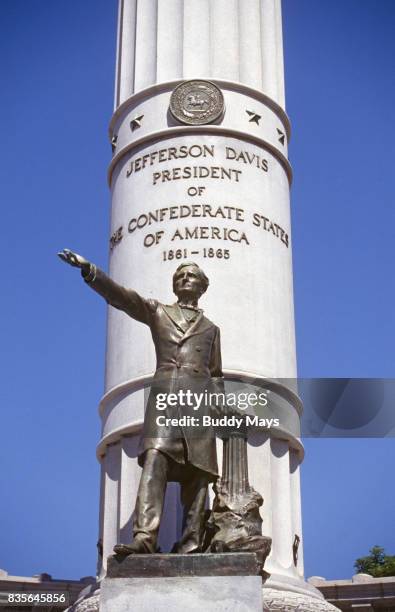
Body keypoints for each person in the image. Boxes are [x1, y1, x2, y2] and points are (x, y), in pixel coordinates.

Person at [58, 249, 224, 555]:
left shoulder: (212, 329)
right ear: (175, 286)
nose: (185, 280)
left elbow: (215, 375)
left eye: (192, 276)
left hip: (198, 406)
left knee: (200, 476)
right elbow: (123, 298)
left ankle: (191, 544)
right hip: (165, 399)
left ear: (203, 286)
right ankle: (144, 538)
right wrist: (90, 270)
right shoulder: (158, 312)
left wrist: (222, 413)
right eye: (180, 276)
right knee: (154, 460)